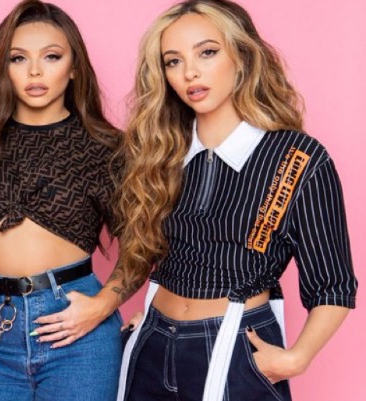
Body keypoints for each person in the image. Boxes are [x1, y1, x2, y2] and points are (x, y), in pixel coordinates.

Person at [115, 1, 357, 400]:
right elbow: (151, 254)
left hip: (237, 349)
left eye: (207, 52)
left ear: (241, 56)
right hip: (152, 343)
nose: (190, 72)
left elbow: (333, 284)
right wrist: (151, 322)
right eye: (173, 61)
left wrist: (297, 359)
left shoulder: (297, 159)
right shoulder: (159, 153)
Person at [0, 1, 129, 400]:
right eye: (18, 58)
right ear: (3, 68)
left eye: (51, 57)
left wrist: (102, 305)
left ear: (74, 67)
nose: (35, 71)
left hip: (76, 328)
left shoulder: (105, 148)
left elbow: (144, 245)